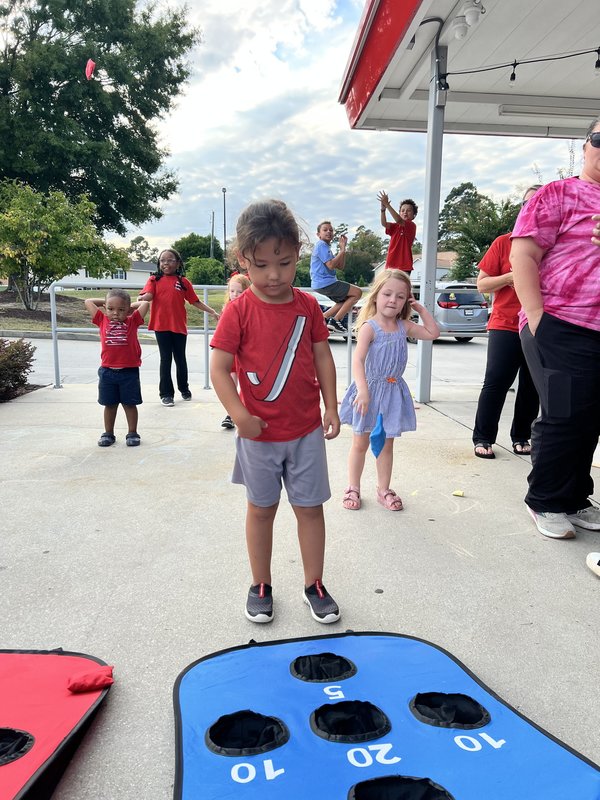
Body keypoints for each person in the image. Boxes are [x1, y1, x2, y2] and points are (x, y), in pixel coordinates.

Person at [210, 199, 341, 624]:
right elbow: (219, 368)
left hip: (305, 432)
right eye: (260, 264)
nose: (273, 275)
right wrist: (239, 415)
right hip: (259, 435)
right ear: (242, 259)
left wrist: (331, 405)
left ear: (297, 256)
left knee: (310, 508)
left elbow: (323, 358)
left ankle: (314, 583)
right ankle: (261, 583)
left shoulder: (307, 307)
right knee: (261, 509)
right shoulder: (238, 310)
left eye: (283, 263)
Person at [510, 116, 600, 540]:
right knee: (563, 413)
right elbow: (522, 255)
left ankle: (576, 497)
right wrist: (538, 316)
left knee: (589, 416)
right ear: (585, 146)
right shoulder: (558, 194)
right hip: (559, 322)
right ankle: (545, 500)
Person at [339, 269, 439, 511]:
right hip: (369, 392)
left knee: (387, 444)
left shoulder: (404, 326)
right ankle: (353, 487)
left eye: (400, 296)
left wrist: (422, 310)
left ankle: (383, 489)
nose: (393, 300)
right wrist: (362, 389)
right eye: (387, 294)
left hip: (393, 392)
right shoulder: (369, 328)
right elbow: (357, 360)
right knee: (360, 442)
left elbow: (432, 333)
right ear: (376, 296)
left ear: (406, 301)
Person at [472, 186, 541, 459]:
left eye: (538, 202)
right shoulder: (504, 242)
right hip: (505, 324)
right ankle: (483, 437)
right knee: (496, 382)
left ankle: (521, 436)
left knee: (531, 386)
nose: (532, 207)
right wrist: (510, 278)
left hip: (537, 324)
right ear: (520, 208)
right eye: (527, 203)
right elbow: (482, 284)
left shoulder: (549, 246)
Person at [138, 249, 220, 406]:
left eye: (170, 260)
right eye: (162, 260)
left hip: (179, 326)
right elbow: (148, 295)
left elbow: (195, 301)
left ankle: (184, 388)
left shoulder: (183, 282)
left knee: (180, 359)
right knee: (165, 359)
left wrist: (212, 312)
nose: (166, 263)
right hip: (161, 326)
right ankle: (166, 394)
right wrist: (141, 298)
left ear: (178, 263)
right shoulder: (154, 280)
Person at [84, 289, 149, 447]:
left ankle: (132, 433)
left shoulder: (132, 321)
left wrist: (129, 306)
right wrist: (108, 303)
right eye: (111, 309)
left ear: (128, 310)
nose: (115, 313)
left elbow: (145, 303)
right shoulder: (101, 320)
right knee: (110, 404)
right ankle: (108, 433)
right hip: (107, 372)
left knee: (129, 404)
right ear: (105, 308)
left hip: (129, 372)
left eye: (121, 310)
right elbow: (88, 302)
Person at [310, 221, 362, 335]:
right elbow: (330, 265)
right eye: (325, 230)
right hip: (325, 283)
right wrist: (342, 251)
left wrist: (342, 249)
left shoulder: (326, 247)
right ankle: (335, 320)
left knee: (343, 301)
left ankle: (324, 317)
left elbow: (340, 266)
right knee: (357, 292)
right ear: (318, 234)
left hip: (323, 284)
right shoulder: (321, 245)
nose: (329, 231)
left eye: (331, 230)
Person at [220, 273, 251, 430]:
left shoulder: (250, 309)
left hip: (245, 354)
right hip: (231, 353)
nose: (235, 295)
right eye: (232, 291)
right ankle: (230, 414)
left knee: (247, 385)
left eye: (239, 292)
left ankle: (244, 411)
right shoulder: (227, 308)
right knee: (231, 382)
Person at [377, 192, 417, 273]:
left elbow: (399, 220)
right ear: (399, 213)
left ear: (414, 215)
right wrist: (383, 209)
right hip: (391, 265)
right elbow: (384, 223)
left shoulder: (411, 225)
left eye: (408, 210)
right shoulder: (395, 226)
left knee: (401, 286)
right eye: (402, 210)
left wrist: (387, 204)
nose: (405, 212)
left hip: (404, 266)